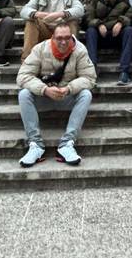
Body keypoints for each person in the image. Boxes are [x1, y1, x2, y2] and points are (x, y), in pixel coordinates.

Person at [17, 21, 96, 168]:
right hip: (44, 96)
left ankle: (67, 143)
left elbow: (90, 78)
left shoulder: (80, 50)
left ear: (72, 36)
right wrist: (44, 89)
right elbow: (22, 76)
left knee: (86, 94)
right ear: (53, 37)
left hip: (66, 96)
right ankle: (35, 144)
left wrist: (69, 88)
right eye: (59, 38)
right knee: (23, 94)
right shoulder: (40, 49)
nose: (64, 41)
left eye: (67, 37)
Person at [20, 0, 84, 60]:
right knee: (31, 21)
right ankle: (27, 61)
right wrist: (38, 14)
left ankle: (69, 59)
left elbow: (80, 9)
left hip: (63, 30)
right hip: (45, 29)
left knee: (73, 21)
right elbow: (24, 11)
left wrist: (60, 14)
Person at [85, 0, 132, 86]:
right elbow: (87, 19)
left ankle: (124, 72)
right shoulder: (95, 1)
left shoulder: (124, 2)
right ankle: (92, 70)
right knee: (91, 31)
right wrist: (98, 24)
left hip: (116, 37)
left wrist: (121, 22)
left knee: (129, 30)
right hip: (100, 38)